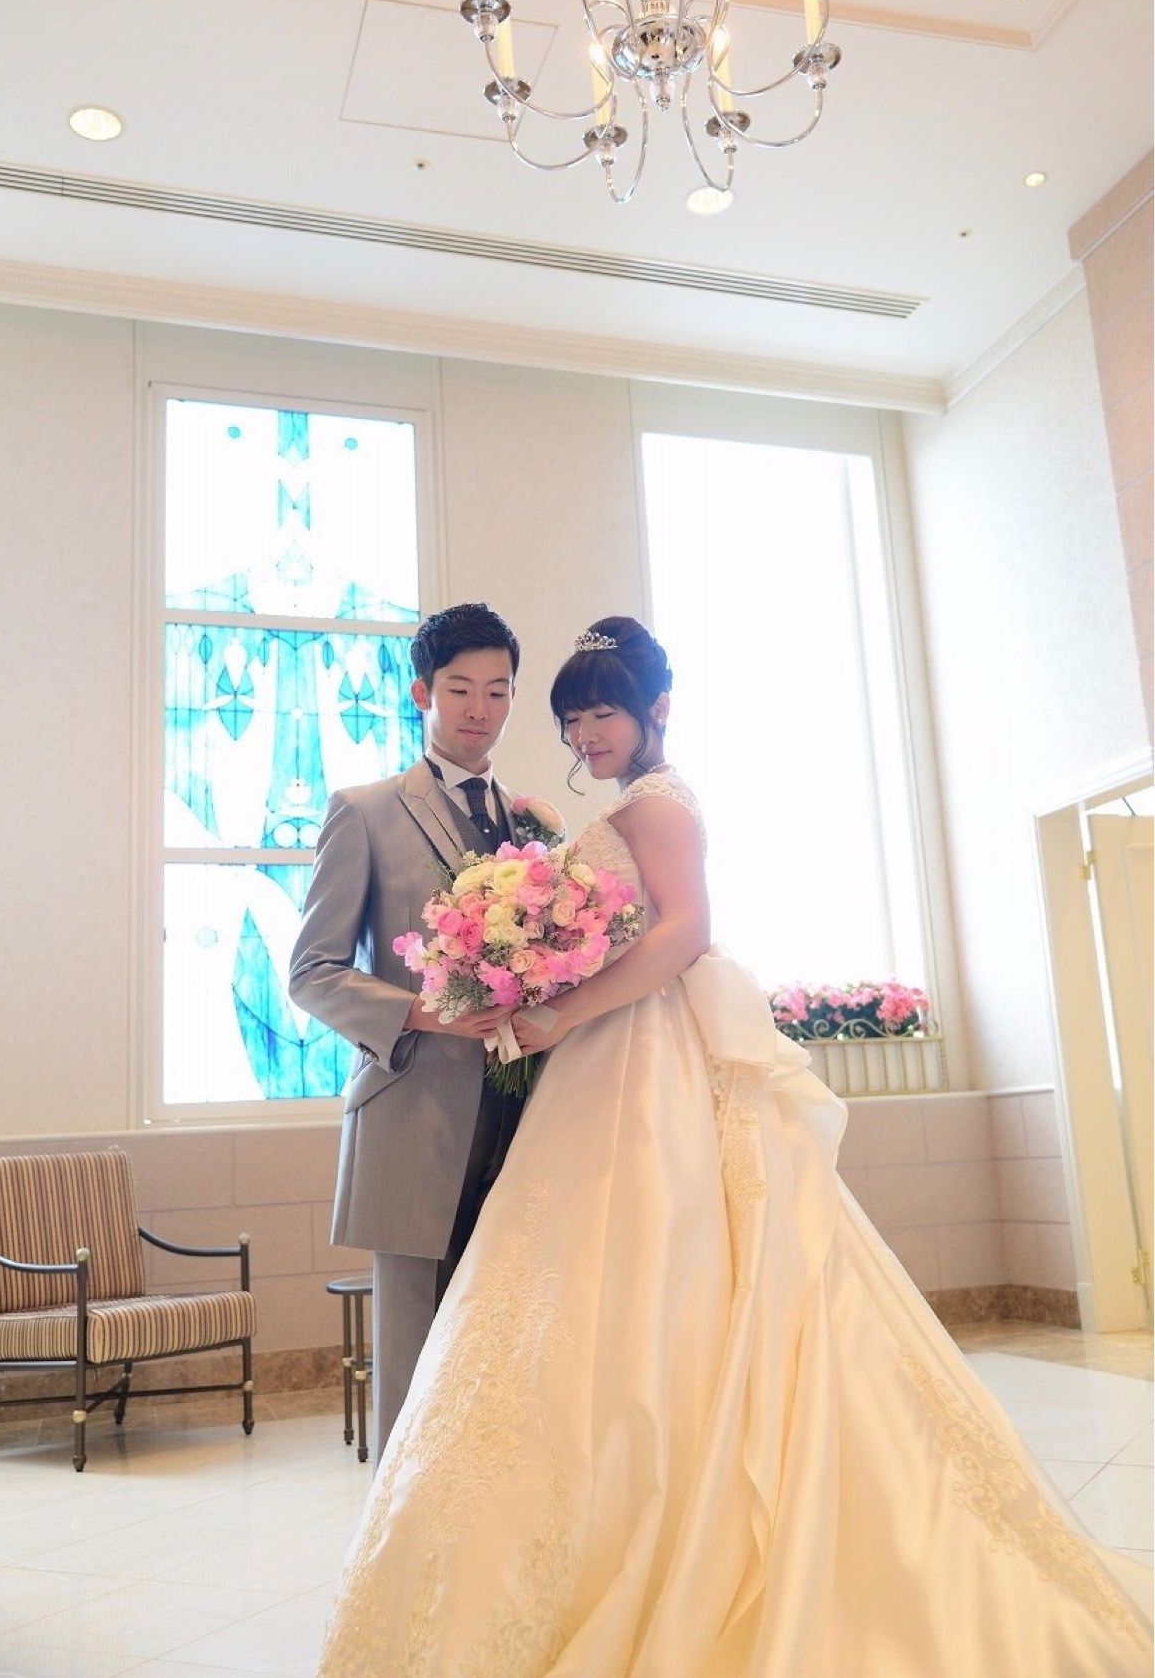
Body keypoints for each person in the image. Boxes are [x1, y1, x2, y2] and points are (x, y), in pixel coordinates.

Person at [315, 616, 1153, 1677]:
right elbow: (327, 968)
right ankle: (444, 1566)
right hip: (478, 1102)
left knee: (654, 1288)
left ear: (653, 709)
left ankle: (642, 1524)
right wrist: (498, 994)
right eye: (572, 719)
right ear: (425, 693)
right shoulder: (405, 811)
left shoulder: (629, 807)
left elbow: (684, 931)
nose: (580, 732)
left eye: (595, 711)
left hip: (622, 1064)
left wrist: (559, 1013)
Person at [289, 601, 546, 1465]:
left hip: (526, 1117)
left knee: (507, 1342)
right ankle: (400, 1532)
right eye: (460, 688)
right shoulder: (363, 811)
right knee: (413, 1362)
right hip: (413, 1114)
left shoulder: (533, 824)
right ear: (421, 694)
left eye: (497, 691)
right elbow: (311, 971)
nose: (479, 709)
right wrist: (426, 1010)